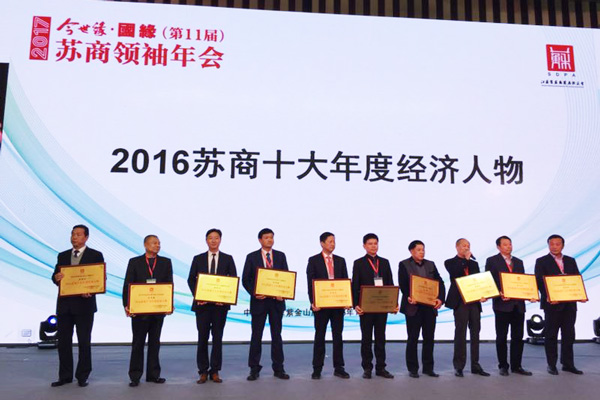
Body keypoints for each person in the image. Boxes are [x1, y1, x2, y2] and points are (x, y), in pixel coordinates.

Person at [51, 225, 104, 387]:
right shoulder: (62, 255)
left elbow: (100, 278)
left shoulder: (95, 255)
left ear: (86, 237)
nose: (74, 237)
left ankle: (83, 376)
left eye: (78, 234)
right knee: (63, 342)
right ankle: (65, 376)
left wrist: (91, 291)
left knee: (84, 341)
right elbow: (55, 276)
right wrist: (56, 277)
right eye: (73, 234)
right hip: (64, 306)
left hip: (84, 305)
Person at [122, 235, 173, 387]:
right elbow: (128, 284)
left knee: (155, 343)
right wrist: (127, 305)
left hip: (158, 310)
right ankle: (135, 376)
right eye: (154, 243)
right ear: (145, 245)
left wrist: (169, 304)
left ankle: (153, 375)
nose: (158, 245)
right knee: (137, 343)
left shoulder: (165, 262)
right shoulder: (135, 262)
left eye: (159, 243)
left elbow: (169, 284)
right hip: (139, 310)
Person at [188, 229, 237, 384]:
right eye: (210, 238)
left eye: (216, 238)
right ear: (206, 240)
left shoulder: (228, 258)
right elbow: (191, 279)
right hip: (202, 306)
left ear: (220, 240)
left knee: (217, 338)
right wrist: (198, 296)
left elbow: (232, 281)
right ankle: (203, 371)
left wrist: (225, 299)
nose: (214, 240)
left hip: (220, 307)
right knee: (202, 338)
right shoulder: (198, 258)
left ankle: (215, 371)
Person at [535, 234, 586, 375]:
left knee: (569, 334)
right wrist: (549, 296)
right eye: (551, 244)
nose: (554, 246)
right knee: (551, 335)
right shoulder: (541, 261)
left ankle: (568, 364)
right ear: (548, 245)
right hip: (552, 304)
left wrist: (580, 295)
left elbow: (576, 279)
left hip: (569, 304)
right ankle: (551, 364)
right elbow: (539, 282)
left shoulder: (570, 260)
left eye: (557, 244)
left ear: (562, 245)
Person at [242, 228, 290, 381]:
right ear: (260, 240)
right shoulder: (251, 257)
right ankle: (254, 368)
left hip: (276, 303)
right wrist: (255, 293)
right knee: (256, 336)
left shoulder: (281, 256)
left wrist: (283, 293)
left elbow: (286, 278)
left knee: (277, 336)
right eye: (266, 237)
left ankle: (279, 368)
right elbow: (246, 279)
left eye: (271, 237)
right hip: (259, 302)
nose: (270, 240)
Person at [485, 236, 533, 376]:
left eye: (510, 244)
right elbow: (489, 281)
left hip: (518, 305)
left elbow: (523, 282)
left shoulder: (518, 261)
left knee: (518, 336)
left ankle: (517, 366)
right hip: (502, 304)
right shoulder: (492, 260)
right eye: (505, 244)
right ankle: (503, 366)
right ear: (498, 247)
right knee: (501, 337)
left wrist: (530, 294)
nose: (508, 247)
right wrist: (499, 293)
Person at [352, 233, 397, 379]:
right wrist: (355, 305)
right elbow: (355, 285)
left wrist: (393, 303)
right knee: (366, 338)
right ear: (364, 246)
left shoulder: (385, 262)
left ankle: (381, 367)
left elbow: (390, 283)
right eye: (370, 244)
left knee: (380, 338)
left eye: (375, 243)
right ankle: (367, 368)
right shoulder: (358, 263)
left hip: (381, 307)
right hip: (366, 308)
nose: (373, 246)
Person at [398, 240, 445, 378]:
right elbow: (403, 284)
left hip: (429, 307)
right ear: (411, 251)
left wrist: (440, 299)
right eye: (418, 250)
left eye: (423, 249)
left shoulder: (431, 264)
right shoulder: (404, 264)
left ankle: (428, 368)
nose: (422, 252)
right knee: (413, 338)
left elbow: (440, 282)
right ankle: (413, 368)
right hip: (413, 307)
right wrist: (409, 296)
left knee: (429, 338)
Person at [306, 232, 350, 379]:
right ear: (322, 243)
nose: (333, 244)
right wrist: (313, 302)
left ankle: (339, 367)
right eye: (330, 241)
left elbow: (345, 282)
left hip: (337, 306)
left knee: (338, 336)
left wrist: (347, 300)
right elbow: (310, 283)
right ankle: (317, 368)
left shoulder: (340, 260)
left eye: (334, 241)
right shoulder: (313, 260)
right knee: (320, 336)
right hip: (321, 306)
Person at [445, 238, 489, 377]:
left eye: (468, 246)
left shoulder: (474, 264)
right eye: (464, 246)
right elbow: (456, 274)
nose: (466, 248)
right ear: (457, 247)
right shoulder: (450, 262)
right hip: (460, 302)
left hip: (474, 302)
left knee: (475, 333)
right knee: (460, 333)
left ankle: (475, 365)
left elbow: (477, 281)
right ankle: (459, 366)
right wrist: (467, 260)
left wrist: (483, 294)